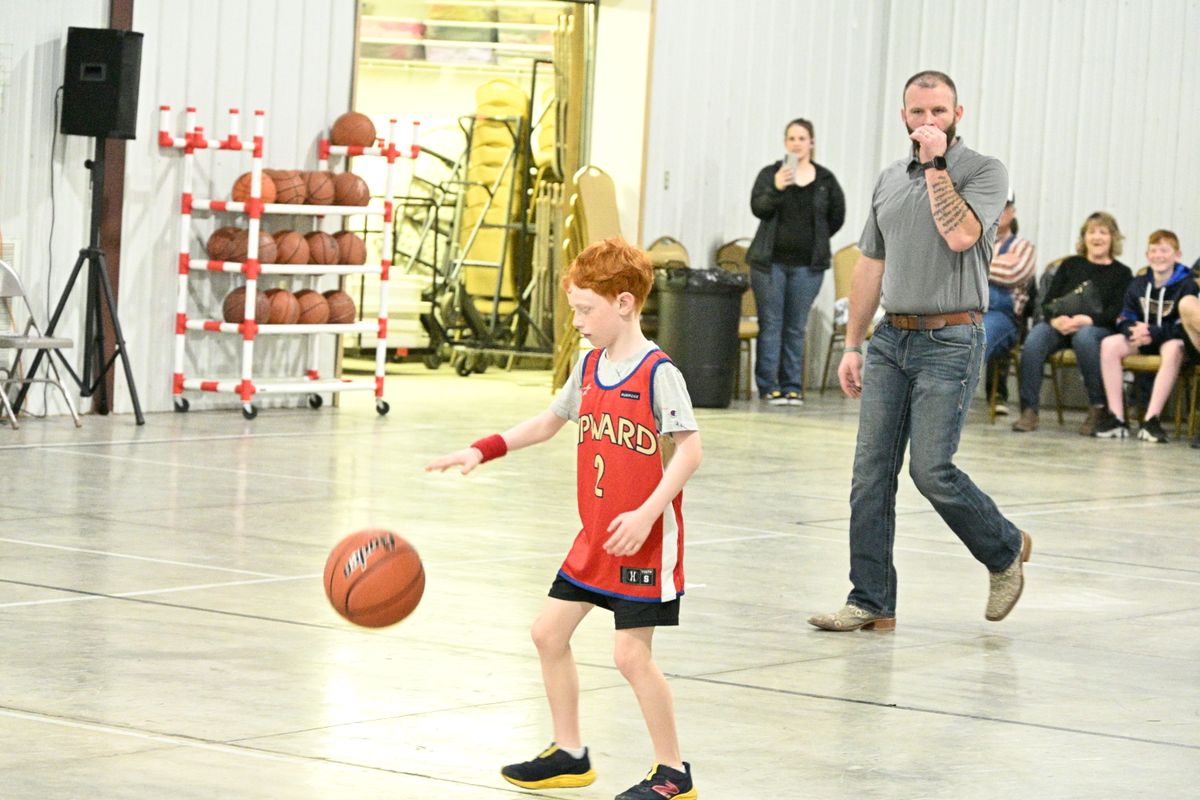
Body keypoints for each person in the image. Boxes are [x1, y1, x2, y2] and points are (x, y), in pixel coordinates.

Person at [426, 238, 702, 800]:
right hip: (596, 537)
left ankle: (673, 772)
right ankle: (570, 753)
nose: (576, 322)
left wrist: (646, 514)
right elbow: (547, 423)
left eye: (584, 310)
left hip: (644, 543)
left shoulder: (658, 373)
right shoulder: (590, 365)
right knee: (547, 633)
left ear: (623, 303)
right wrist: (481, 449)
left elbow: (691, 452)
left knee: (630, 656)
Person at [807, 70, 1031, 633]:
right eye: (917, 112)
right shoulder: (888, 178)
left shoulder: (984, 171)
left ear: (958, 114)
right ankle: (871, 600)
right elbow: (871, 264)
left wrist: (935, 165)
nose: (928, 121)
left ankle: (1004, 548)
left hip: (952, 339)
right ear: (903, 116)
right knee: (870, 475)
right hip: (891, 339)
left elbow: (960, 236)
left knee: (931, 470)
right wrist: (853, 343)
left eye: (938, 111)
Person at [746, 118, 846, 405]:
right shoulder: (771, 174)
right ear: (785, 142)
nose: (796, 144)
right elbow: (758, 208)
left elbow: (836, 217)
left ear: (811, 142)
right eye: (791, 138)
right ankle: (769, 386)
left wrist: (817, 239)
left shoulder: (825, 180)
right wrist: (777, 187)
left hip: (807, 267)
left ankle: (792, 386)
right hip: (769, 265)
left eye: (802, 138)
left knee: (795, 326)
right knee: (771, 323)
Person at [1011, 212, 1133, 434]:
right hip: (1061, 325)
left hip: (1097, 329)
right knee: (1035, 338)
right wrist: (1055, 319)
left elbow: (1117, 312)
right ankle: (1029, 410)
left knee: (1084, 337)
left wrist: (1088, 320)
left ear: (1113, 238)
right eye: (1091, 232)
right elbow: (1048, 302)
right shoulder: (1070, 265)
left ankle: (1098, 407)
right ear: (1084, 237)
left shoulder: (1122, 273)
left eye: (1103, 232)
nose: (1097, 237)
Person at [1094, 230, 1199, 441]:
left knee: (1174, 348)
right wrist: (1131, 330)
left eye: (1165, 251)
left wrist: (1153, 333)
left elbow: (1184, 325)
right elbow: (1124, 316)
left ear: (1177, 255)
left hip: (1169, 339)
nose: (1159, 256)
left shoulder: (1187, 284)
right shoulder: (1139, 283)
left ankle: (1152, 420)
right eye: (1154, 251)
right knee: (1109, 344)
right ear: (1147, 255)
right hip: (1143, 338)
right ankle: (1117, 418)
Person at [983, 192, 1036, 415]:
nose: (998, 211)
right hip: (970, 309)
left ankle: (954, 401)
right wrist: (998, 263)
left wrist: (976, 263)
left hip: (1003, 316)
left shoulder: (1024, 247)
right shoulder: (974, 241)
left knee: (977, 340)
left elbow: (1012, 272)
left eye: (1004, 207)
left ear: (1012, 212)